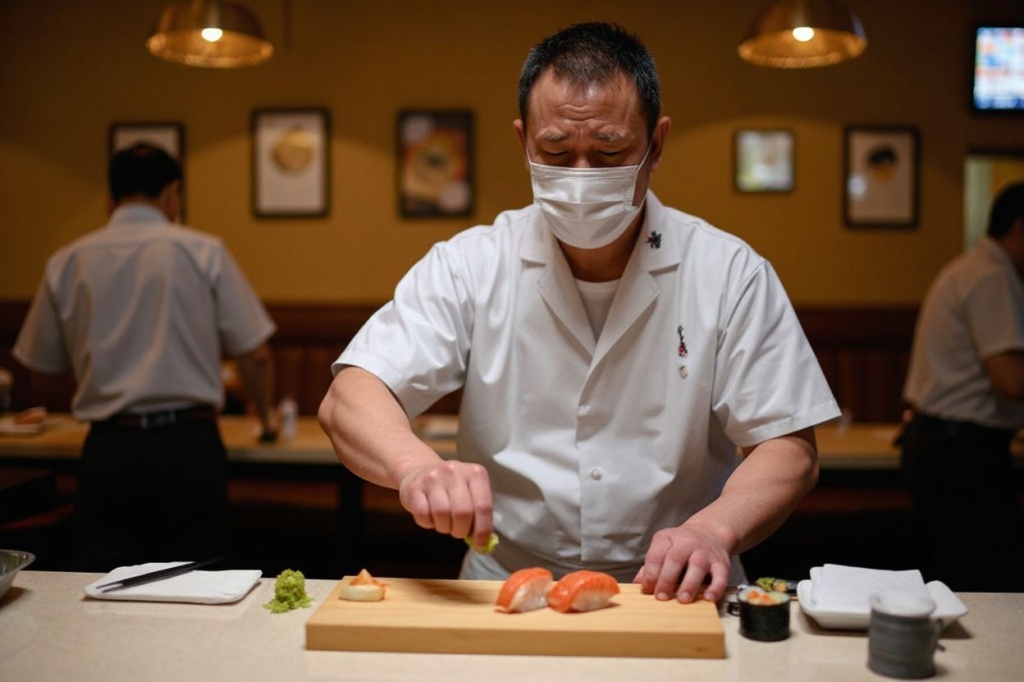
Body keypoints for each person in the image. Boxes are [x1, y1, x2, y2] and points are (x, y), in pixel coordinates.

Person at [318, 22, 840, 603]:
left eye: (611, 151)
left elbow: (788, 446)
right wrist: (415, 467)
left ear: (657, 144)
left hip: (677, 586)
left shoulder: (728, 271)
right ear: (523, 143)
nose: (582, 176)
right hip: (509, 586)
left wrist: (713, 531)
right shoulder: (471, 263)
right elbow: (351, 396)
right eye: (556, 152)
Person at [13, 143, 278, 572]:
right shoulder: (203, 250)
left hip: (108, 448)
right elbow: (257, 354)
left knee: (105, 587)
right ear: (172, 193)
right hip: (189, 446)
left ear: (109, 199)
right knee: (198, 583)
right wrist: (265, 419)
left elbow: (42, 374)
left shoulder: (67, 261)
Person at [901, 181, 1024, 592]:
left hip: (938, 442)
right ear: (1019, 228)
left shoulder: (968, 267)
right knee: (981, 579)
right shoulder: (992, 277)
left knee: (959, 570)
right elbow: (1011, 380)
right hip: (962, 452)